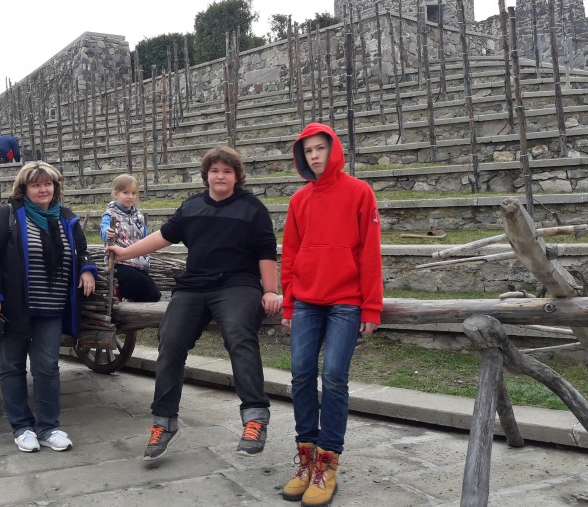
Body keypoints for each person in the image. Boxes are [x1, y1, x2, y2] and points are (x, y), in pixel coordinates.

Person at [107, 146, 281, 461]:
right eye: (215, 171)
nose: (220, 176)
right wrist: (124, 252)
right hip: (195, 285)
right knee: (170, 341)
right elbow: (162, 236)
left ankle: (255, 417)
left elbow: (266, 250)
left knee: (238, 335)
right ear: (207, 176)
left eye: (227, 171)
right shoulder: (192, 206)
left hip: (238, 284)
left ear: (237, 176)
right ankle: (164, 421)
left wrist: (270, 290)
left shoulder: (252, 207)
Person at [279, 123, 383, 506]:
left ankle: (327, 465)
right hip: (306, 300)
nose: (315, 156)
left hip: (346, 301)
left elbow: (370, 253)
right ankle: (305, 460)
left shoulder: (359, 192)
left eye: (320, 148)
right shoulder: (299, 200)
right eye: (308, 151)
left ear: (333, 149)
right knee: (301, 374)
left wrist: (371, 305)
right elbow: (290, 254)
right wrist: (289, 302)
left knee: (334, 377)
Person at [0, 161, 97, 454]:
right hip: (15, 306)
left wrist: (87, 269)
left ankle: (48, 427)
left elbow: (81, 249)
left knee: (47, 366)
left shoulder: (66, 217)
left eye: (48, 184)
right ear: (24, 188)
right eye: (36, 185)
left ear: (55, 187)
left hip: (51, 307)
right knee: (13, 366)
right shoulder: (8, 215)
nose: (43, 189)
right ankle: (22, 427)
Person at [99, 174, 161, 302]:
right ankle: (121, 293)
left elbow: (143, 236)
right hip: (119, 262)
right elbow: (104, 228)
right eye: (125, 192)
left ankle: (132, 299)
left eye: (133, 193)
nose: (130, 196)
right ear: (116, 194)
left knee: (155, 294)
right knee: (140, 286)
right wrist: (107, 232)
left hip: (137, 261)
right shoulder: (110, 214)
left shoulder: (138, 216)